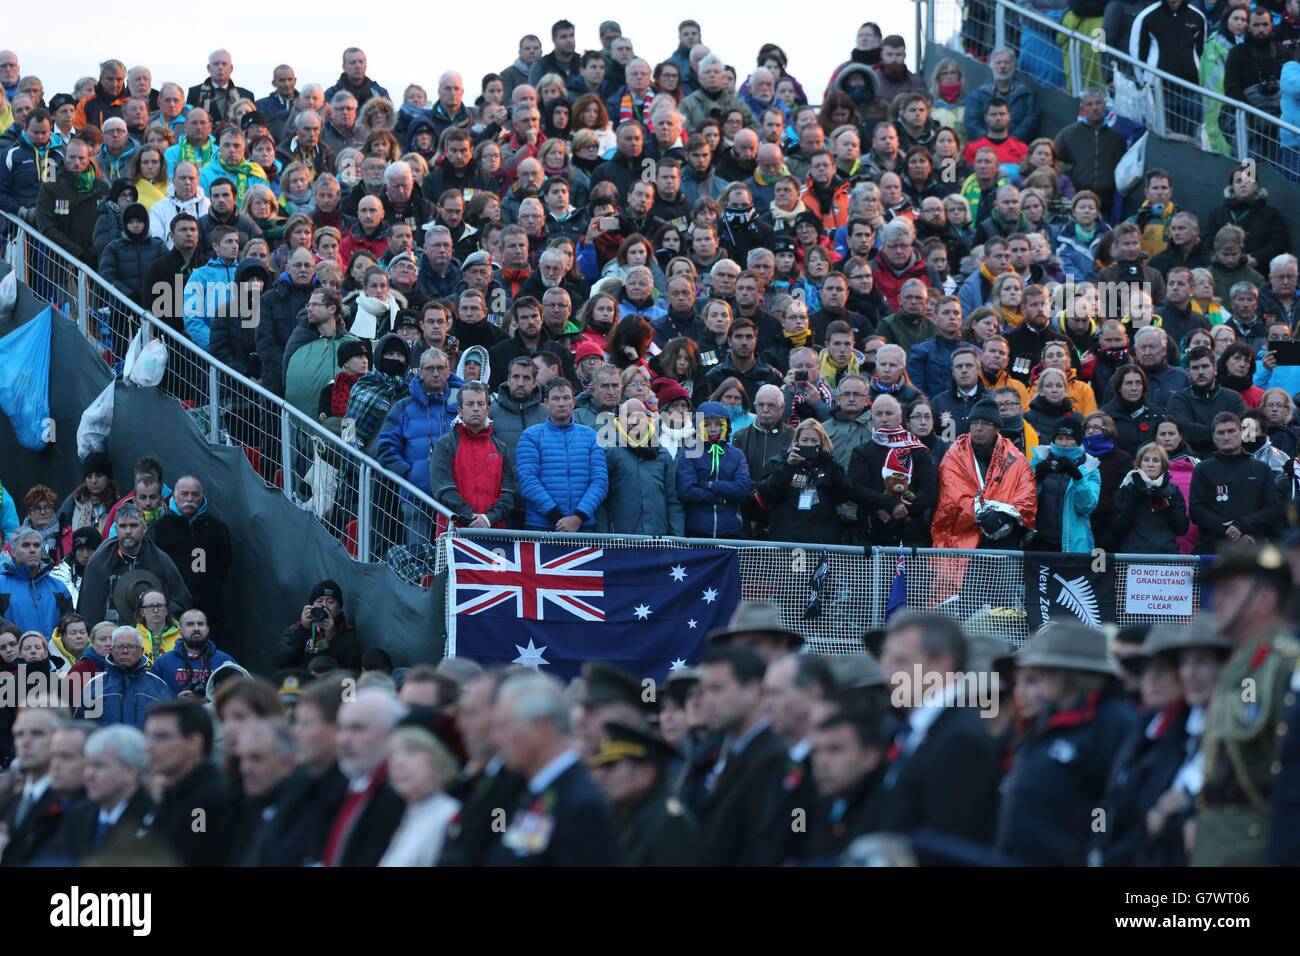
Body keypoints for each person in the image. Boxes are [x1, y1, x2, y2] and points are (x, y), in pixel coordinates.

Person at [1193, 545, 1300, 865]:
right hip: (1217, 843)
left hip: (1259, 847)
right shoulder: (1238, 669)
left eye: (1229, 590)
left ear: (1265, 599)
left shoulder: (1285, 669)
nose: (1217, 600)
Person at [997, 623, 1138, 865]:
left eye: (1044, 671)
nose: (1037, 681)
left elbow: (1107, 801)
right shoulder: (1048, 717)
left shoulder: (1112, 722)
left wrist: (1095, 848)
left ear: (1068, 674)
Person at [486, 670, 618, 866]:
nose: (496, 738)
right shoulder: (538, 791)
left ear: (540, 726)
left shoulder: (581, 807)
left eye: (505, 726)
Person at [693, 645, 788, 866]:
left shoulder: (773, 760)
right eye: (703, 690)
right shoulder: (735, 754)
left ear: (754, 690)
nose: (705, 701)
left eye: (717, 689)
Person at [377, 346, 460, 544]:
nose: (435, 373)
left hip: (457, 496)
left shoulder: (464, 403)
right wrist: (409, 473)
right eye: (429, 368)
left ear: (449, 371)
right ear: (420, 372)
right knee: (418, 557)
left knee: (452, 559)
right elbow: (385, 448)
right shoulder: (403, 407)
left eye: (441, 368)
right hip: (416, 496)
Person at [932, 396, 1037, 550]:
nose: (979, 428)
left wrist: (1004, 517)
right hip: (965, 539)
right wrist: (983, 514)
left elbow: (1026, 493)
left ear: (997, 428)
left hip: (1006, 540)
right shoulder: (954, 455)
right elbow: (951, 497)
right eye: (974, 422)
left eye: (986, 423)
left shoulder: (1015, 458)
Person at [588, 721, 698, 866]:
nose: (599, 776)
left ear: (646, 773)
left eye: (611, 766)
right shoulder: (629, 812)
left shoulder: (670, 824)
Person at [514, 377, 607, 532]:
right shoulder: (531, 436)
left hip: (583, 526)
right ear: (546, 403)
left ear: (574, 402)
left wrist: (578, 517)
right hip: (541, 526)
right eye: (556, 399)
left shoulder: (590, 436)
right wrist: (558, 518)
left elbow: (600, 482)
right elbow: (527, 481)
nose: (562, 403)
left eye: (566, 398)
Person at [52, 725, 154, 863]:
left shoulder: (154, 818)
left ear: (131, 772)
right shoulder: (76, 816)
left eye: (99, 766)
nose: (89, 774)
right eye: (88, 765)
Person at [77, 505, 190, 626]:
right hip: (109, 636)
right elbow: (88, 608)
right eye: (123, 526)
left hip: (149, 636)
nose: (128, 531)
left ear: (144, 528)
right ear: (116, 529)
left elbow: (180, 603)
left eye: (134, 525)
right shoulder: (99, 561)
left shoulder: (160, 560)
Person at [377, 710, 463, 867]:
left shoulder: (448, 816)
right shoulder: (410, 813)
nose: (398, 762)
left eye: (411, 750)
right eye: (393, 753)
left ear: (439, 756)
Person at [850, 394, 938, 546]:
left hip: (911, 536)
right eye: (879, 414)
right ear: (872, 418)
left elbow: (929, 492)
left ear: (899, 417)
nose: (884, 419)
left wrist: (900, 509)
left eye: (889, 413)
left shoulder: (919, 451)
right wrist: (889, 504)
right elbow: (856, 489)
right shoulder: (861, 452)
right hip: (871, 534)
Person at [1190, 412, 1283, 551]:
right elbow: (1197, 510)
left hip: (1253, 547)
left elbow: (1272, 509)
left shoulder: (1261, 468)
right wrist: (1228, 530)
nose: (1226, 437)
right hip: (1213, 549)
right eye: (1221, 433)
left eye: (1231, 431)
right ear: (1213, 437)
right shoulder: (1202, 469)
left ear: (1242, 433)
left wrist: (1242, 526)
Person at [599, 399, 684, 535]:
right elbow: (601, 502)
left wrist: (676, 537)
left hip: (657, 541)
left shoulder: (662, 455)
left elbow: (673, 499)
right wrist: (604, 538)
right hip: (621, 541)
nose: (634, 421)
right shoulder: (610, 453)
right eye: (627, 416)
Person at [677, 401, 752, 538]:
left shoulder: (737, 455)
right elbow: (686, 491)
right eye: (706, 424)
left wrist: (709, 485)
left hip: (731, 531)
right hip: (697, 531)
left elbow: (742, 488)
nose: (712, 429)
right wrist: (722, 498)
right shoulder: (688, 453)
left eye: (717, 424)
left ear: (726, 426)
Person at [77, 627, 175, 728]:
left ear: (141, 651)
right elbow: (82, 728)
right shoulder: (95, 686)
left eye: (131, 646)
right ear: (111, 651)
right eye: (119, 647)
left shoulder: (158, 686)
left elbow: (170, 727)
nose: (125, 651)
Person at [35, 137, 108, 265]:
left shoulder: (102, 187)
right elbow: (46, 226)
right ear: (64, 158)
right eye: (72, 158)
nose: (77, 163)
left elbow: (109, 224)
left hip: (96, 259)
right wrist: (77, 252)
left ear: (88, 159)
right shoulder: (51, 186)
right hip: (60, 261)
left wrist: (95, 250)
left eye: (81, 158)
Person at [1166, 346, 1248, 457]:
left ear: (1215, 369)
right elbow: (1185, 432)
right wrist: (1229, 433)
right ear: (1188, 372)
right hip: (1191, 463)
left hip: (1232, 460)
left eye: (1205, 366)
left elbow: (1248, 433)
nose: (1200, 372)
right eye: (1195, 368)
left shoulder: (1234, 398)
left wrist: (1201, 434)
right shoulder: (1178, 399)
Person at [273, 580, 361, 672]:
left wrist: (331, 637)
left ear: (339, 607)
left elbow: (350, 667)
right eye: (319, 601)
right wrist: (302, 629)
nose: (324, 606)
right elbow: (281, 661)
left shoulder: (347, 632)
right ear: (311, 606)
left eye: (330, 601)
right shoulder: (297, 629)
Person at [0, 527, 72, 637]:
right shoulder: (1, 585)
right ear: (13, 552)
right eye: (26, 545)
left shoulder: (59, 588)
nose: (32, 550)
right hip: (13, 653)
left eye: (37, 545)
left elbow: (68, 633)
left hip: (51, 653)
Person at [150, 608, 235, 700]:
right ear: (180, 631)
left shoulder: (225, 662)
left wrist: (211, 700)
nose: (196, 628)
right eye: (190, 624)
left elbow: (239, 696)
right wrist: (176, 701)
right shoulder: (163, 663)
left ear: (207, 629)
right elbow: (151, 699)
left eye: (200, 624)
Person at [963, 49, 1040, 144]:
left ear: (1014, 65)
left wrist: (1010, 143)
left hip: (1016, 150)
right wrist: (990, 143)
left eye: (1006, 62)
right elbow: (972, 123)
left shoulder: (1026, 95)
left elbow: (1030, 123)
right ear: (991, 66)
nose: (1002, 66)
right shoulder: (977, 95)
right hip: (985, 151)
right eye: (998, 62)